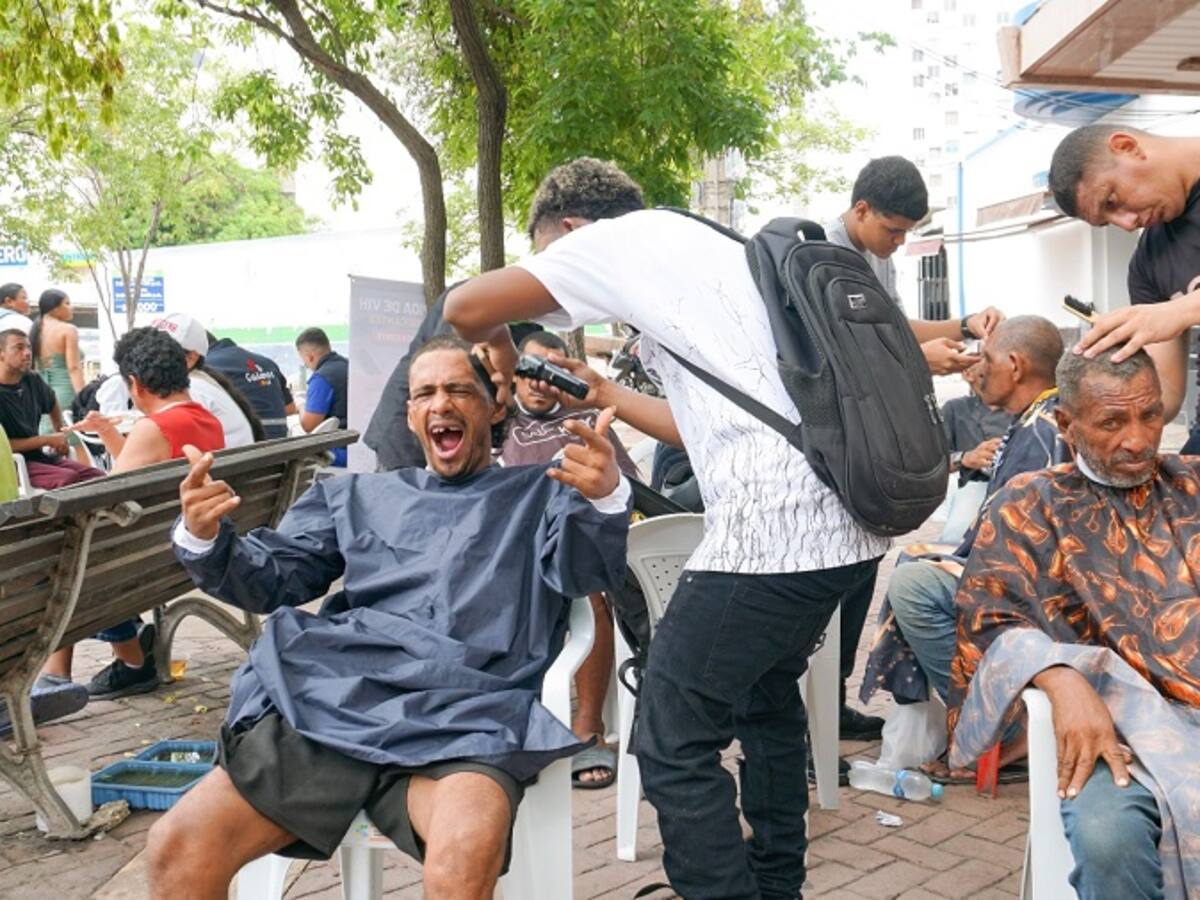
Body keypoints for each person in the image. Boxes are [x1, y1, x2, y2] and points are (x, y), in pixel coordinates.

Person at [444, 165, 887, 900]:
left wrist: (495, 351)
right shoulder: (703, 245)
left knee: (670, 737)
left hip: (771, 534)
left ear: (571, 231)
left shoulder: (608, 242)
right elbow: (700, 424)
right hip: (843, 520)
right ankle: (776, 886)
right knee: (765, 700)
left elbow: (465, 306)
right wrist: (610, 395)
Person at [144, 335, 630, 899]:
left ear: (494, 407)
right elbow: (275, 575)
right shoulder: (356, 497)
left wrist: (605, 497)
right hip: (337, 706)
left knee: (466, 848)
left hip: (470, 717)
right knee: (176, 846)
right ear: (410, 414)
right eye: (424, 393)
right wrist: (204, 538)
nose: (440, 404)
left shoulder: (541, 494)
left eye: (458, 391)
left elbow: (582, 573)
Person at [948, 347, 1200, 900]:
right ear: (1067, 423)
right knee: (1110, 838)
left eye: (1151, 415)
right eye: (1113, 421)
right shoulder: (1029, 503)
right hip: (1114, 729)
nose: (1138, 439)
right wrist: (1061, 678)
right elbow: (990, 619)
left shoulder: (1191, 487)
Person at [859, 316, 1070, 780]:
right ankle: (989, 717)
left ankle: (999, 728)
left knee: (913, 586)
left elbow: (1026, 554)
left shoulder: (1042, 430)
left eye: (988, 360)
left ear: (1014, 366)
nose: (978, 370)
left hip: (1038, 594)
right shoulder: (1036, 418)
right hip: (1021, 572)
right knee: (914, 562)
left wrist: (957, 565)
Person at [43, 328, 226, 700]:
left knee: (64, 558)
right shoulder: (206, 420)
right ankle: (59, 673)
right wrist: (110, 433)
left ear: (135, 383)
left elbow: (107, 499)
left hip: (145, 559)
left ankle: (128, 662)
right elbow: (139, 471)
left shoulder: (153, 427)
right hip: (174, 545)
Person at [500, 329, 639, 789]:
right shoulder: (496, 422)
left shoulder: (584, 421)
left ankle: (588, 728)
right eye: (530, 371)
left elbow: (625, 488)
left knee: (588, 587)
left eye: (552, 373)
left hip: (569, 548)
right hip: (507, 548)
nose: (540, 383)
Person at [1048, 125, 1199, 445]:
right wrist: (1094, 400)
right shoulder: (1149, 263)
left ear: (1127, 146)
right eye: (1109, 221)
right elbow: (1166, 393)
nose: (1128, 224)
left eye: (1113, 200)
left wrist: (1182, 310)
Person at [826, 156, 1005, 376]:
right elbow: (830, 357)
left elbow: (897, 327)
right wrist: (916, 361)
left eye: (906, 231)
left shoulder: (878, 253)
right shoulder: (821, 257)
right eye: (893, 230)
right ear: (862, 211)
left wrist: (968, 325)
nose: (901, 241)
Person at [97, 313, 262, 448]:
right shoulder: (200, 383)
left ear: (191, 358)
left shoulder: (189, 391)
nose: (149, 358)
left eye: (164, 351)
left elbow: (130, 474)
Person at [0, 329, 104, 489]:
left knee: (97, 477)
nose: (27, 353)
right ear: (1, 354)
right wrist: (47, 439)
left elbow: (52, 403)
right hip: (10, 464)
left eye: (28, 347)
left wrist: (60, 434)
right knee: (67, 479)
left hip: (38, 457)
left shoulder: (32, 380)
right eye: (19, 348)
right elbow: (4, 446)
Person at [204, 332, 297, 440]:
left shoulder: (206, 367)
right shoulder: (266, 362)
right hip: (279, 443)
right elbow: (290, 408)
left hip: (243, 445)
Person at [295, 327, 349, 466]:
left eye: (305, 362)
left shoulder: (322, 379)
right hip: (358, 447)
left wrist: (301, 404)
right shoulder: (349, 366)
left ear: (309, 357)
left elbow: (308, 425)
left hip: (337, 453)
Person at [29, 289, 84, 417]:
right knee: (68, 433)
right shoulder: (68, 330)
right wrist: (83, 398)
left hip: (39, 393)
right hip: (65, 392)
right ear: (54, 308)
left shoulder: (32, 330)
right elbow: (74, 368)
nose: (72, 307)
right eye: (67, 303)